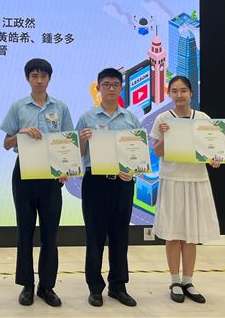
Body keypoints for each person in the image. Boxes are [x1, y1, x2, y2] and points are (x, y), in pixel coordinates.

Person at [0, 58, 73, 307]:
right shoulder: (18, 107)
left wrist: (65, 169)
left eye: (43, 76)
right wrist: (20, 134)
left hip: (51, 176)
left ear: (49, 78)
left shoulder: (60, 107)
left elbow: (67, 141)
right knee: (25, 231)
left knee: (50, 234)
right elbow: (6, 143)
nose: (39, 80)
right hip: (24, 174)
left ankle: (46, 286)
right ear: (27, 79)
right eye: (34, 76)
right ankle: (27, 285)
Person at [150, 75, 221, 304]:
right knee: (173, 234)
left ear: (191, 93)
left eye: (183, 90)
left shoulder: (202, 118)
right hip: (172, 180)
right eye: (174, 91)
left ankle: (188, 281)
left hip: (196, 180)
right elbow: (157, 152)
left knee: (191, 235)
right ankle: (174, 281)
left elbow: (212, 150)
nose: (179, 95)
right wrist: (165, 135)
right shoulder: (162, 118)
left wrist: (215, 159)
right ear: (169, 94)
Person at [75, 67, 140, 308]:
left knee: (120, 235)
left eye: (115, 84)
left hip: (123, 183)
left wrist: (132, 172)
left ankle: (118, 286)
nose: (111, 88)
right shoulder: (87, 118)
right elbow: (76, 154)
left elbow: (138, 154)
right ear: (98, 88)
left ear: (121, 88)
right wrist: (82, 140)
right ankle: (95, 288)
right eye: (106, 84)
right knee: (95, 236)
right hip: (95, 182)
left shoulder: (130, 118)